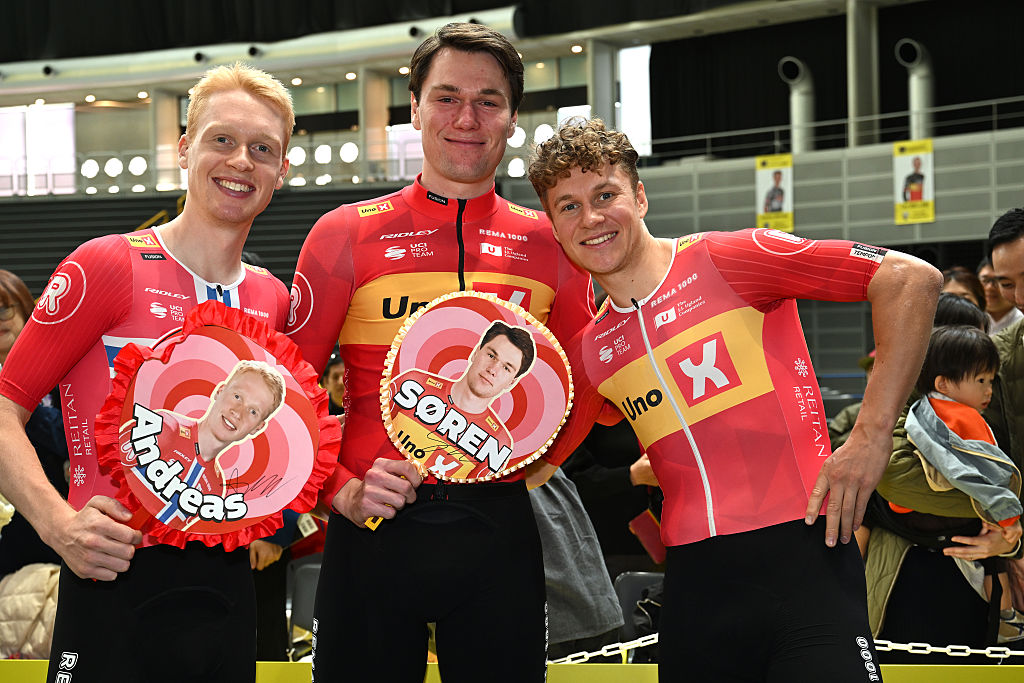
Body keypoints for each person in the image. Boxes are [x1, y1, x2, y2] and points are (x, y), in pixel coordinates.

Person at [526, 117, 942, 681]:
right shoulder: (593, 350)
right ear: (553, 225)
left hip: (806, 559)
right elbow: (530, 461)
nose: (592, 218)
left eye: (605, 194)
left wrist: (869, 437)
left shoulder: (732, 258)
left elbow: (909, 280)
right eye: (568, 206)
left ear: (640, 196)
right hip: (698, 588)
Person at [285, 23, 595, 682]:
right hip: (369, 530)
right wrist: (339, 491)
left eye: (488, 100)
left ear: (513, 118)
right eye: (447, 96)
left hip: (500, 533)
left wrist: (530, 465)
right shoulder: (343, 234)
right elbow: (286, 392)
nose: (466, 118)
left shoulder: (551, 242)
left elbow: (587, 387)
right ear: (415, 108)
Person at [0, 62, 293, 682]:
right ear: (185, 148)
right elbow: (5, 406)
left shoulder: (272, 298)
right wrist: (57, 525)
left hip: (227, 589)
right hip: (111, 581)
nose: (241, 160)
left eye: (262, 148)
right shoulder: (108, 264)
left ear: (281, 171)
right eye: (222, 139)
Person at [120, 359, 285, 530]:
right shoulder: (164, 427)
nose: (237, 412)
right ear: (220, 391)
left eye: (253, 411)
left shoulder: (215, 489)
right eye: (237, 396)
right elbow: (102, 473)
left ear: (257, 427)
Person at [978, 257, 1022, 335]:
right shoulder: (970, 318)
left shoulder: (1021, 319)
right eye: (985, 280)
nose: (989, 287)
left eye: (997, 281)